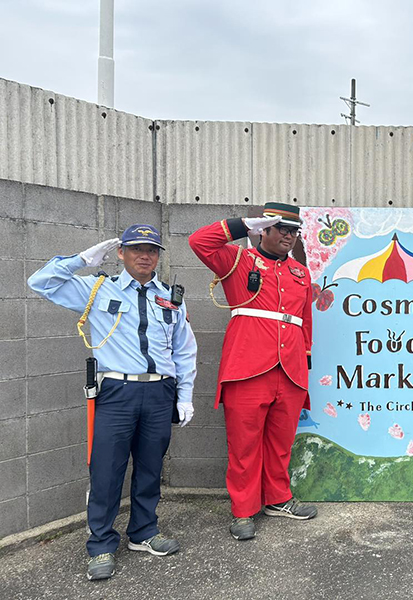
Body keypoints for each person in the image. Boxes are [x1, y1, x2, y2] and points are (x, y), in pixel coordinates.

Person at [27, 225, 197, 580]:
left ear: (158, 256)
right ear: (121, 252)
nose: (145, 255)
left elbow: (184, 350)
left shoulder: (170, 297)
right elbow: (40, 282)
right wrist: (81, 260)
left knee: (150, 469)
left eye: (151, 250)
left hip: (159, 391)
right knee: (106, 472)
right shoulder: (97, 288)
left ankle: (144, 532)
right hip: (117, 392)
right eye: (136, 248)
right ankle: (101, 544)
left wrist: (185, 395)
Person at [189, 202, 316, 541]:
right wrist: (242, 225)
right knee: (244, 445)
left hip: (289, 371)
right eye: (282, 229)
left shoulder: (300, 274)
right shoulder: (237, 261)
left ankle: (278, 499)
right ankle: (244, 510)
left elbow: (305, 323)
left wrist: (305, 361)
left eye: (294, 231)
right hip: (247, 368)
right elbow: (199, 241)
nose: (289, 236)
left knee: (280, 443)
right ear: (265, 230)